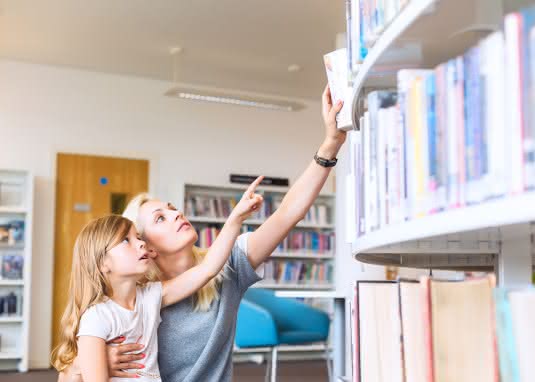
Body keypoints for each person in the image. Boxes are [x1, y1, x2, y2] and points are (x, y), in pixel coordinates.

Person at [63, 85, 346, 381]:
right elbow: (67, 374)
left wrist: (330, 145)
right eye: (160, 218)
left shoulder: (229, 263)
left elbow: (288, 212)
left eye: (172, 208)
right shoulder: (133, 297)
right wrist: (91, 363)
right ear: (146, 246)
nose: (176, 214)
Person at [52, 177, 265, 381]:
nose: (141, 244)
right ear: (103, 264)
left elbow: (208, 268)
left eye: (138, 237)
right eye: (126, 241)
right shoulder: (97, 317)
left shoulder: (150, 296)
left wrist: (236, 218)